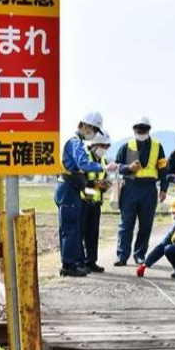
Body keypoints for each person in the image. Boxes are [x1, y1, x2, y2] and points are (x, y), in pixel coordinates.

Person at [56, 112, 119, 277]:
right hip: (71, 188)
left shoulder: (72, 140)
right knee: (71, 229)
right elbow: (82, 163)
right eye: (94, 129)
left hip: (70, 188)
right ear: (85, 125)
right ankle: (69, 265)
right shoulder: (75, 142)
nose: (94, 133)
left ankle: (71, 263)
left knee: (71, 229)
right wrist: (104, 168)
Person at [113, 117, 169, 266]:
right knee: (126, 224)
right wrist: (129, 168)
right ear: (134, 130)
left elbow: (163, 169)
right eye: (138, 129)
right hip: (130, 187)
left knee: (146, 224)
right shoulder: (126, 146)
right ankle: (122, 255)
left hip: (149, 189)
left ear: (149, 130)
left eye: (144, 129)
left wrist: (164, 188)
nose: (141, 132)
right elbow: (117, 167)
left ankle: (139, 255)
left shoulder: (158, 147)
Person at [80, 131, 113, 273]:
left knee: (93, 235)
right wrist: (94, 183)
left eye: (107, 146)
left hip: (95, 203)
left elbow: (104, 180)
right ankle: (80, 262)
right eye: (103, 145)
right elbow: (80, 180)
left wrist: (105, 185)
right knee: (80, 234)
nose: (105, 148)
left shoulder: (103, 161)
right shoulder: (84, 158)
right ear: (94, 145)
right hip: (83, 201)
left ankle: (91, 262)